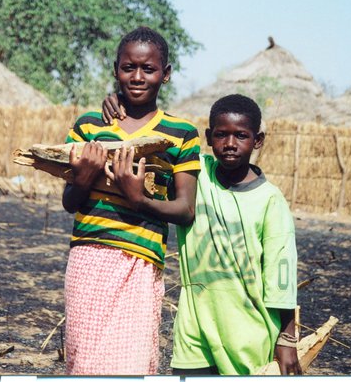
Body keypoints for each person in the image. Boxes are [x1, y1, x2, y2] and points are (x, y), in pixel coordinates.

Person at [102, 93, 301, 375]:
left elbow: (281, 273)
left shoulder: (270, 200)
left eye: (241, 136)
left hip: (248, 333)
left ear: (257, 140)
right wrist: (123, 106)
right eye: (221, 135)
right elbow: (151, 142)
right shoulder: (196, 174)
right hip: (194, 332)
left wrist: (288, 338)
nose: (230, 144)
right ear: (208, 136)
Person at [62, 26, 200, 375]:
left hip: (140, 261)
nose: (137, 77)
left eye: (149, 69)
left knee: (131, 363)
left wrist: (138, 200)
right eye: (128, 68)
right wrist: (83, 177)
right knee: (85, 362)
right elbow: (70, 202)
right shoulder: (90, 126)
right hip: (89, 257)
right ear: (115, 70)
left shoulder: (181, 134)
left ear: (165, 74)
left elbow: (185, 210)